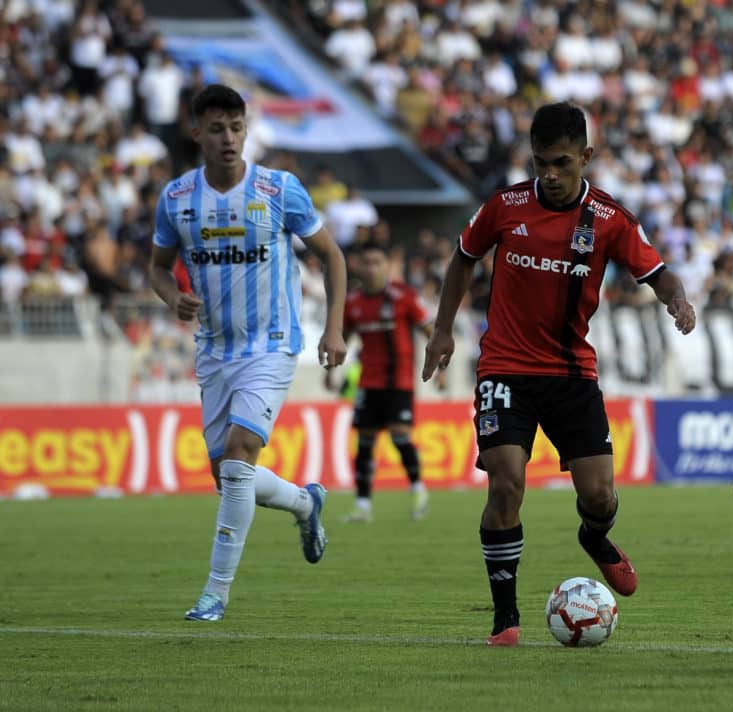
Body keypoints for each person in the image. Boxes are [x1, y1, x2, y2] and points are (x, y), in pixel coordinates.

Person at [421, 102, 697, 647]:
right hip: (505, 367)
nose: (548, 174)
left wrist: (678, 301)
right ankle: (505, 619)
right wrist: (442, 330)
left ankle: (595, 538)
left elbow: (658, 273)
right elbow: (462, 258)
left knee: (601, 496)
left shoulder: (610, 218)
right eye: (540, 162)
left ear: (586, 158)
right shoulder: (505, 205)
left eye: (561, 163)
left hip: (571, 373)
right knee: (506, 483)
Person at [149, 84, 348, 622]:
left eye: (237, 127)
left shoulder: (279, 189)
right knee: (227, 477)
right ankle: (306, 503)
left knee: (239, 456)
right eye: (217, 129)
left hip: (272, 344)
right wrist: (174, 296)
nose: (229, 138)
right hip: (215, 350)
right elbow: (157, 267)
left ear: (247, 128)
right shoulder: (178, 199)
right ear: (197, 134)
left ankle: (215, 593)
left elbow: (331, 256)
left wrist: (333, 329)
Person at [332, 240, 433, 523]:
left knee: (400, 435)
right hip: (368, 382)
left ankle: (417, 489)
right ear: (359, 266)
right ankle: (362, 506)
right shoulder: (353, 302)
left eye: (378, 262)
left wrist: (440, 365)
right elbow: (344, 337)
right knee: (364, 442)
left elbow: (429, 330)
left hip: (399, 380)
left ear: (387, 266)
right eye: (368, 262)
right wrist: (331, 372)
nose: (373, 268)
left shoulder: (403, 295)